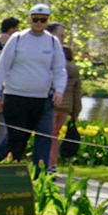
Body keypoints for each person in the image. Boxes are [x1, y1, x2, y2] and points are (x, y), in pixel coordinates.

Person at [0, 3, 66, 168]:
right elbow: (2, 66)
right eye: (36, 19)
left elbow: (59, 70)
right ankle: (5, 170)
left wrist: (59, 90)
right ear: (30, 19)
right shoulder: (17, 39)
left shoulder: (52, 42)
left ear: (47, 21)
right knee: (16, 136)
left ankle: (33, 174)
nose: (39, 23)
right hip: (15, 96)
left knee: (31, 137)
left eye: (43, 20)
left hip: (39, 98)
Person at [46, 22, 83, 173]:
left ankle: (45, 164)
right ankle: (52, 164)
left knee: (46, 135)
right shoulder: (74, 69)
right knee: (54, 136)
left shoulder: (54, 64)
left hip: (52, 103)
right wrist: (75, 113)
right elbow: (77, 93)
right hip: (66, 107)